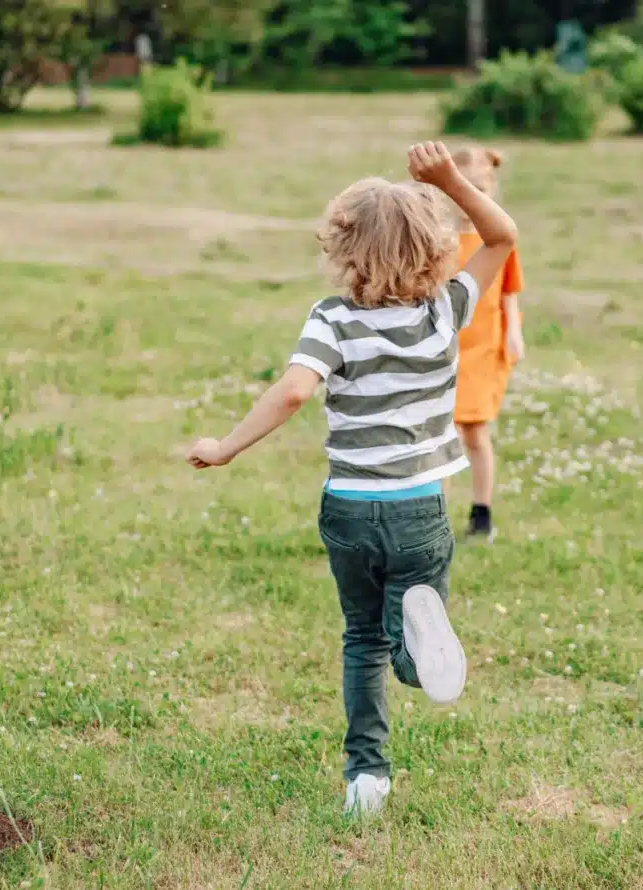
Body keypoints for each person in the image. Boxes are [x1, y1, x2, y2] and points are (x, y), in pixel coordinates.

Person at [185, 142, 518, 816]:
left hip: (350, 509)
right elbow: (503, 235)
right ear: (436, 249)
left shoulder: (331, 319)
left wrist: (225, 447)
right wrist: (451, 178)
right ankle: (417, 653)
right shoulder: (445, 310)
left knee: (361, 636)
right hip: (422, 509)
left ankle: (366, 778)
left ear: (345, 250)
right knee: (404, 631)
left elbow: (292, 394)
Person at [451, 146, 525, 540]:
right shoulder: (440, 238)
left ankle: (482, 512)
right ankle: (433, 515)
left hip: (484, 345)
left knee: (475, 432)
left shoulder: (497, 235)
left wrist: (514, 328)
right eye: (464, 189)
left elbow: (510, 287)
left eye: (479, 189)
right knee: (438, 434)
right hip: (446, 349)